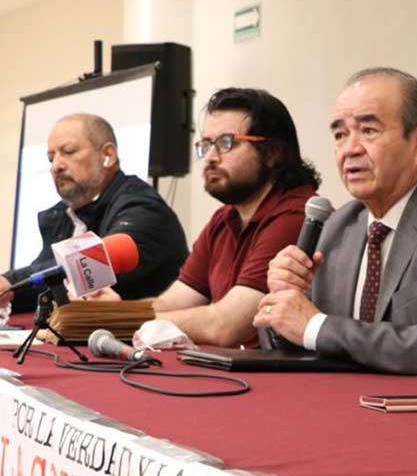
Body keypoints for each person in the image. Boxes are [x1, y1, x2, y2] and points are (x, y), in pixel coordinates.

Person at [254, 67, 417, 377]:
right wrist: (283, 303)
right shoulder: (339, 225)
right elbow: (293, 342)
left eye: (368, 131)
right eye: (340, 135)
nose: (350, 149)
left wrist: (315, 326)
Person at [97, 88, 320, 348]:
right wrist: (114, 312)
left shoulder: (296, 215)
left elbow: (226, 326)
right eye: (206, 145)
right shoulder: (224, 219)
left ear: (272, 153)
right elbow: (173, 302)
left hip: (275, 371)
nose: (211, 157)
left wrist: (120, 321)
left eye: (226, 143)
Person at [0, 113, 187, 314]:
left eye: (68, 152)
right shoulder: (65, 214)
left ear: (107, 155)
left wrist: (10, 282)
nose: (56, 166)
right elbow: (47, 282)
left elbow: (91, 268)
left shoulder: (143, 207)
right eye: (51, 158)